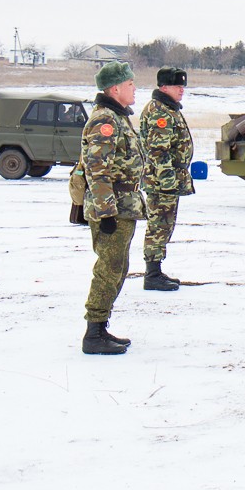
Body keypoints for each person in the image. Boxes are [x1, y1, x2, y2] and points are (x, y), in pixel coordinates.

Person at [80, 61, 145, 355]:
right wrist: (106, 213)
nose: (135, 89)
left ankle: (100, 327)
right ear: (115, 89)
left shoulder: (118, 118)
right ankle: (93, 334)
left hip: (124, 206)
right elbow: (97, 170)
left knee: (117, 268)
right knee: (109, 269)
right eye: (130, 84)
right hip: (113, 209)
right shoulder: (105, 121)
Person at [140, 66, 194, 291]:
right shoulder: (160, 112)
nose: (181, 90)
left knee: (164, 225)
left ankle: (156, 270)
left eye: (183, 86)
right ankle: (152, 275)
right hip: (162, 181)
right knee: (159, 225)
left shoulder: (167, 109)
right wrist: (168, 181)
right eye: (177, 86)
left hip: (168, 178)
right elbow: (158, 152)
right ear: (164, 87)